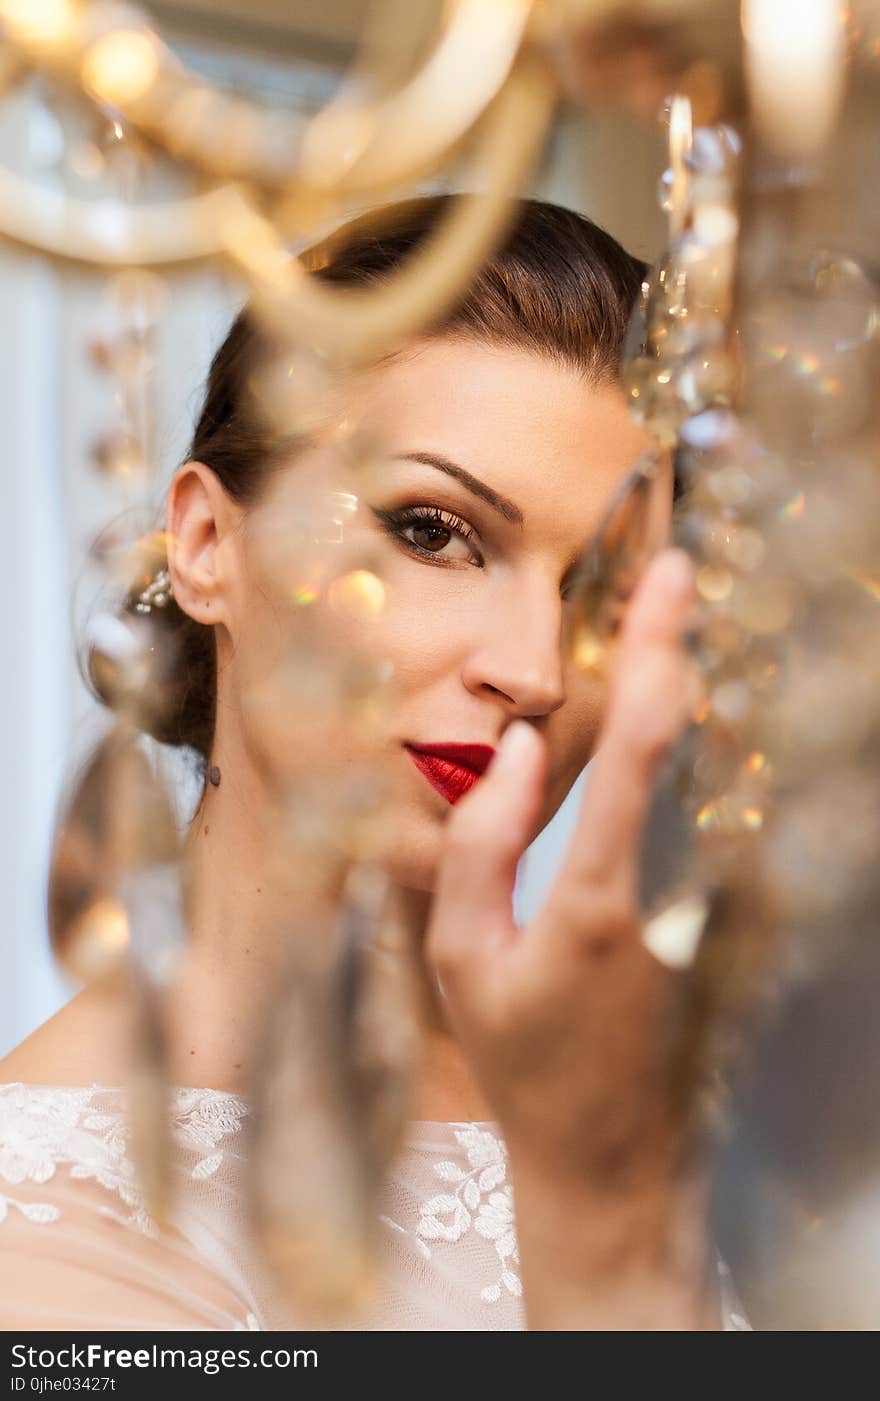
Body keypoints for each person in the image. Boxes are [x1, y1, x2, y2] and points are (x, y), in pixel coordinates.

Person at [0, 197, 733, 1330]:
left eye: (604, 593)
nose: (535, 670)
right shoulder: (45, 1217)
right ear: (206, 545)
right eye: (433, 532)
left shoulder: (623, 1128)